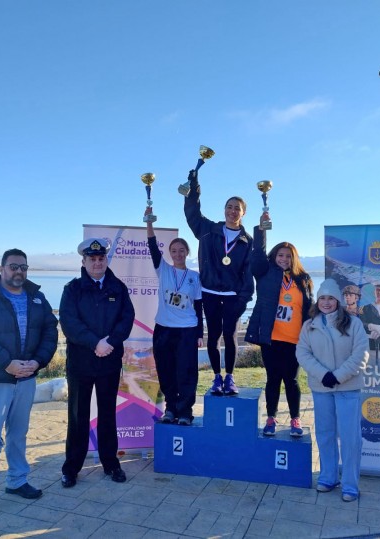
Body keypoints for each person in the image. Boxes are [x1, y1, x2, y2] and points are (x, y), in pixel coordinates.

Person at [0, 249, 58, 516]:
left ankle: (17, 480)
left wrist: (37, 362)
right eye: (14, 267)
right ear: (2, 269)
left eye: (23, 267)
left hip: (26, 378)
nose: (19, 272)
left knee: (18, 433)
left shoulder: (37, 298)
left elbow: (50, 332)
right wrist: (7, 363)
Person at [60, 238, 135, 489]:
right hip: (81, 363)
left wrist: (110, 342)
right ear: (84, 261)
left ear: (106, 260)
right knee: (78, 416)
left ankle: (110, 463)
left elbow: (127, 318)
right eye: (92, 259)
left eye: (101, 258)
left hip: (109, 363)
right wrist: (95, 343)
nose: (97, 262)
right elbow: (69, 323)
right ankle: (72, 468)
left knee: (107, 415)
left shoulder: (118, 287)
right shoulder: (72, 289)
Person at [296, 279, 369, 502]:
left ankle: (350, 484)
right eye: (322, 298)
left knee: (349, 437)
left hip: (348, 388)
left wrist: (337, 376)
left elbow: (360, 354)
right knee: (325, 434)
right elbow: (302, 354)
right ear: (317, 301)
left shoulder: (354, 324)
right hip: (322, 388)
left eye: (330, 298)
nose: (326, 302)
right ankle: (328, 476)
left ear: (338, 300)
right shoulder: (309, 326)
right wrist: (323, 375)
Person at [184, 168, 254, 396]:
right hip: (209, 291)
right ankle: (216, 377)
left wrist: (244, 299)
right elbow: (193, 213)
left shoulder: (247, 240)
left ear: (243, 213)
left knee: (231, 336)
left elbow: (249, 271)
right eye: (229, 207)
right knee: (213, 335)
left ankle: (230, 378)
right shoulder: (208, 229)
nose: (233, 211)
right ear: (224, 210)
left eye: (237, 208)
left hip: (233, 295)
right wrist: (194, 188)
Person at [244, 211, 313, 437]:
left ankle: (295, 419)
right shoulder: (265, 273)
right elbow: (256, 255)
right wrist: (261, 229)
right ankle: (271, 419)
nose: (284, 259)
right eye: (280, 255)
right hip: (271, 338)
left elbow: (309, 308)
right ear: (274, 256)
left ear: (294, 258)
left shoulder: (303, 280)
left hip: (295, 339)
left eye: (288, 256)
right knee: (273, 379)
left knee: (291, 380)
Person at [145, 208, 203, 426]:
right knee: (166, 370)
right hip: (163, 329)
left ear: (187, 253)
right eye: (174, 251)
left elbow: (198, 307)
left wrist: (199, 334)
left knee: (186, 372)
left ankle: (186, 411)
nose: (178, 254)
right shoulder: (163, 270)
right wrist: (149, 222)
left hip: (187, 329)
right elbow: (152, 246)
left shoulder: (195, 277)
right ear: (169, 253)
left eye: (181, 250)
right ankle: (170, 409)